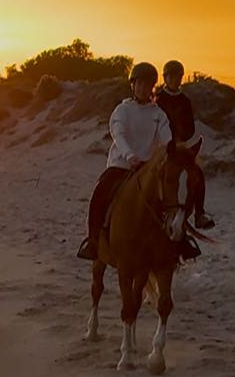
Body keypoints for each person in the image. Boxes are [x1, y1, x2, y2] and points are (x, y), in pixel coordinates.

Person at [77, 62, 170, 259]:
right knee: (99, 194)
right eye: (140, 84)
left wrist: (172, 152)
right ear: (133, 85)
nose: (144, 89)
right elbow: (118, 135)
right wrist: (130, 156)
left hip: (147, 169)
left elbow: (166, 138)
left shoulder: (158, 114)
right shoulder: (122, 110)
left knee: (171, 200)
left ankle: (179, 242)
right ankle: (93, 240)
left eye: (148, 85)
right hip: (122, 166)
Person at [155, 60, 214, 229]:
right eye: (171, 77)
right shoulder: (158, 99)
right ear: (165, 78)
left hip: (180, 145)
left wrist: (181, 139)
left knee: (196, 173)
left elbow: (191, 126)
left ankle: (199, 213)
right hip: (161, 146)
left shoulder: (185, 101)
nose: (174, 80)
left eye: (177, 77)